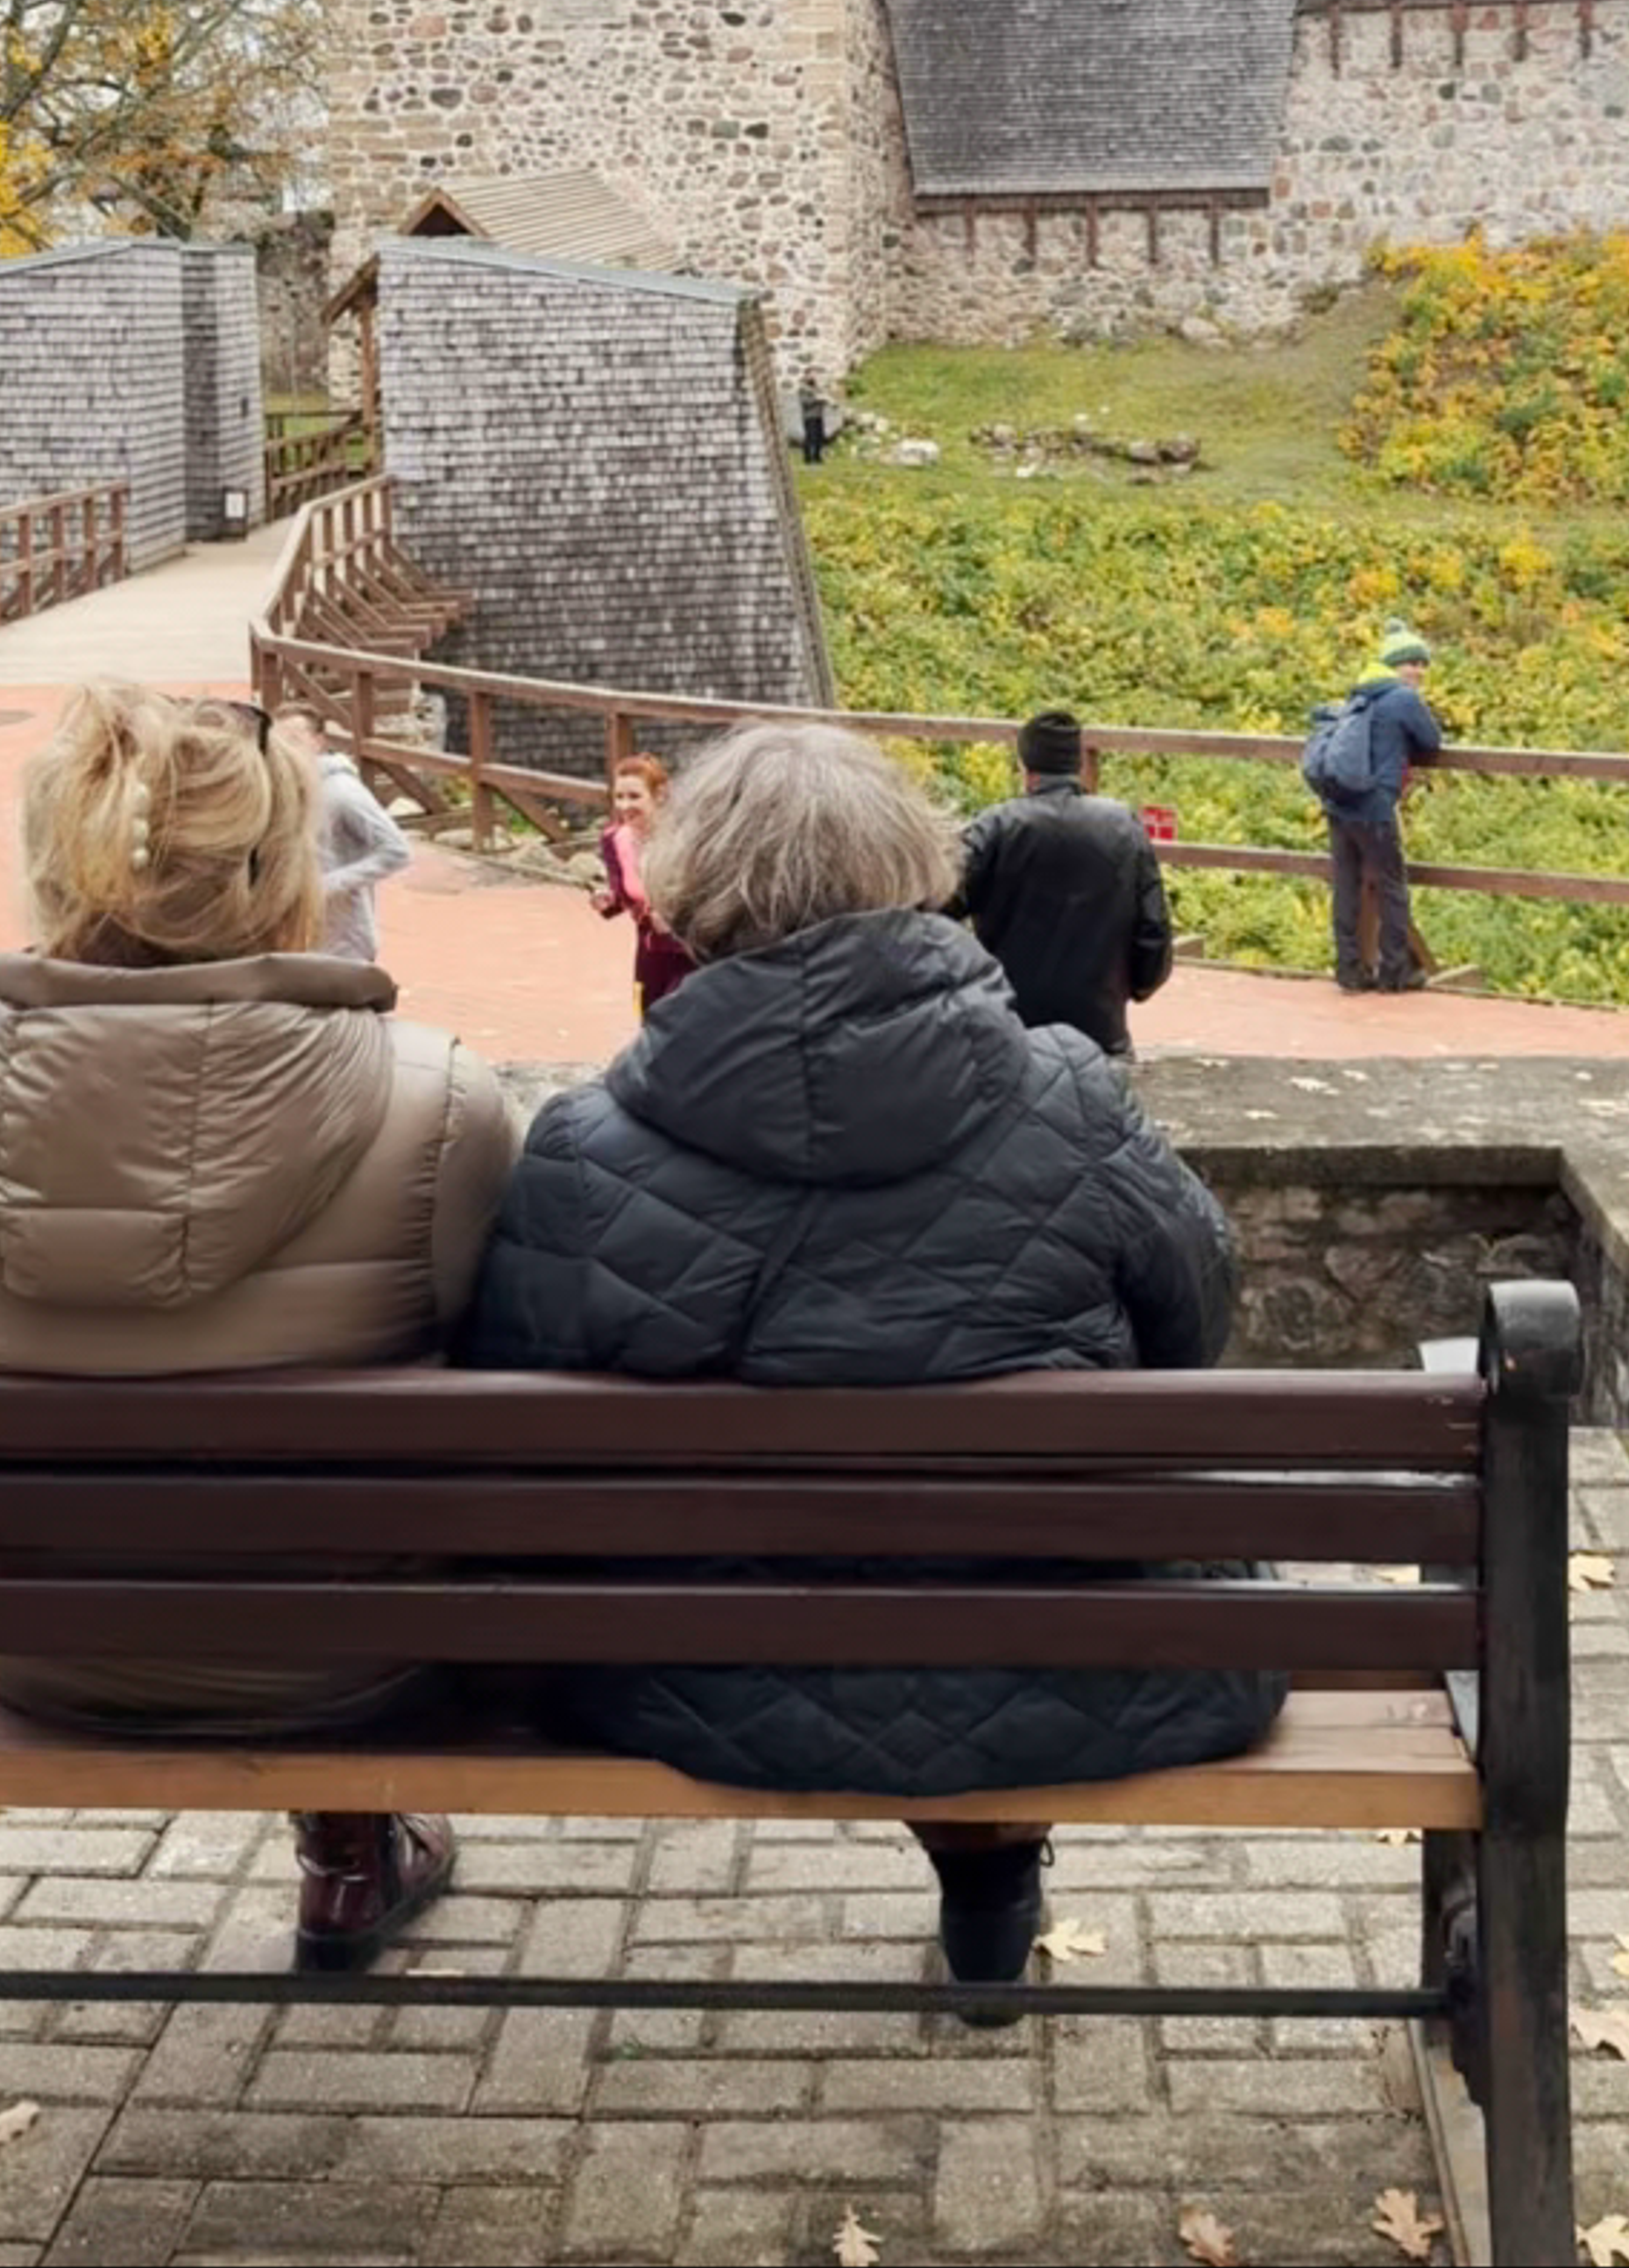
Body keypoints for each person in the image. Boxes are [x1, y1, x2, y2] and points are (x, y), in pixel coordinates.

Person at [465, 720, 1283, 2021]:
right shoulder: (1072, 1095)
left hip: (692, 1674)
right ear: (912, 871)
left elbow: (523, 1410)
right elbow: (1194, 1327)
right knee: (983, 1586)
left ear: (689, 893)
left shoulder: (587, 1146)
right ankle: (989, 1882)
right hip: (1085, 1659)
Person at [0, 681, 514, 1970]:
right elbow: (493, 1362)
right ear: (285, 865)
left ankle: (349, 1845)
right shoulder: (437, 1101)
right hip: (342, 1658)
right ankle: (349, 1842)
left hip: (39, 1647)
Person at [957, 706, 1173, 1057]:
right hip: (1101, 1034)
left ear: (1025, 768)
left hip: (1012, 1030)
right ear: (1078, 765)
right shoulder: (1123, 826)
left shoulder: (995, 827)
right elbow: (1153, 931)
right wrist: (1136, 987)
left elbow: (939, 905)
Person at [1315, 627, 1445, 995]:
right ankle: (1395, 971)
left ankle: (1350, 969)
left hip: (1340, 802)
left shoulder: (1361, 693)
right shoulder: (1403, 699)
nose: (1418, 671)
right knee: (1391, 886)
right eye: (1411, 663)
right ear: (1393, 665)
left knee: (1347, 885)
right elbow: (1432, 741)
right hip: (1373, 806)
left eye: (1423, 664)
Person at [275, 706, 414, 964]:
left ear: (318, 742)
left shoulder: (342, 791)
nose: (286, 751)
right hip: (299, 935)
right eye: (279, 743)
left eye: (294, 741)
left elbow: (397, 851)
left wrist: (327, 885)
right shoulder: (284, 792)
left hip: (343, 941)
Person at [591, 752, 693, 1015]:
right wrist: (609, 901)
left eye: (634, 797)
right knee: (651, 1018)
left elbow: (712, 893)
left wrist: (674, 919)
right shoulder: (615, 840)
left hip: (692, 949)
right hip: (651, 952)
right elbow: (624, 895)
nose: (625, 806)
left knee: (686, 1019)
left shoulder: (685, 837)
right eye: (619, 797)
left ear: (658, 796)